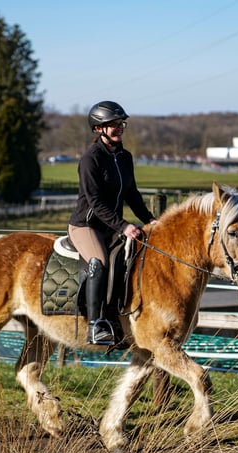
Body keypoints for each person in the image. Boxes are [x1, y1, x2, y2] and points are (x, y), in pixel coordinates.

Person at [68, 100, 158, 345]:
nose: (119, 128)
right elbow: (95, 202)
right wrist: (124, 226)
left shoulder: (125, 157)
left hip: (111, 225)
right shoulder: (90, 159)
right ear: (99, 129)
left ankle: (117, 314)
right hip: (86, 225)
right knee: (99, 262)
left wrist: (150, 220)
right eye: (113, 125)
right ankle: (95, 325)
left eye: (121, 124)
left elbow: (132, 194)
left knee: (132, 258)